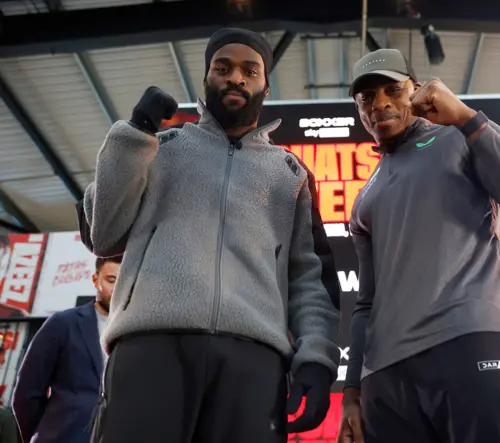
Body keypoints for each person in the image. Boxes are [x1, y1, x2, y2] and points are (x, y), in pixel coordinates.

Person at [83, 28, 340, 443]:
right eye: (222, 68)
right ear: (205, 80)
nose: (235, 77)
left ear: (265, 85)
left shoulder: (290, 174)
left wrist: (316, 359)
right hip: (151, 348)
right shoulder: (158, 147)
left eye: (249, 70)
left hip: (253, 360)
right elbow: (104, 231)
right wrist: (134, 133)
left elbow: (308, 280)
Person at [338, 48, 500, 443]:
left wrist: (467, 118)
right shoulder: (364, 199)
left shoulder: (460, 137)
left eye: (393, 89)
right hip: (388, 380)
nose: (380, 104)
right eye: (366, 98)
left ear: (416, 89)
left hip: (471, 345)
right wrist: (353, 391)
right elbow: (365, 304)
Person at [11, 256, 122, 443]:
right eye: (111, 280)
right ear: (95, 280)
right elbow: (26, 394)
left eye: (124, 281)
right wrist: (44, 433)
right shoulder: (63, 323)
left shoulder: (136, 332)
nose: (117, 289)